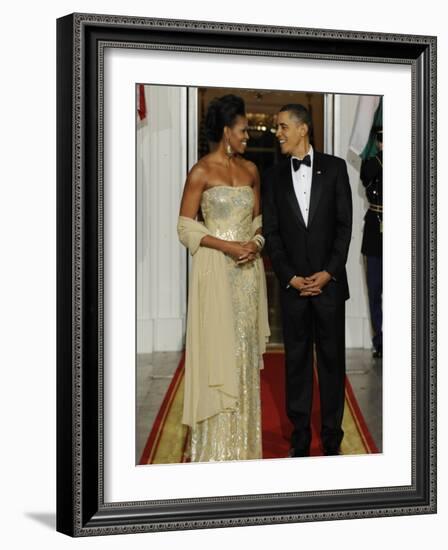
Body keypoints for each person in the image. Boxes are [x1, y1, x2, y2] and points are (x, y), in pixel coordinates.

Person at [177, 94, 270, 462]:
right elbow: (185, 227)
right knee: (218, 351)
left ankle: (243, 447)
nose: (248, 136)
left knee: (243, 352)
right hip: (215, 273)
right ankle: (214, 450)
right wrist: (227, 247)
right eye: (244, 130)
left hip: (247, 277)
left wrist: (256, 243)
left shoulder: (251, 171)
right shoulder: (201, 171)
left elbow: (260, 221)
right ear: (226, 130)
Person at [262, 104, 352, 457]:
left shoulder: (335, 168)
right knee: (296, 363)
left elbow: (344, 227)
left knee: (331, 363)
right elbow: (272, 233)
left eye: (283, 126)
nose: (278, 133)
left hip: (329, 286)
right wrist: (291, 277)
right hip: (294, 289)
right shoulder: (273, 177)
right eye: (277, 127)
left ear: (302, 129)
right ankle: (299, 437)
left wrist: (328, 273)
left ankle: (332, 438)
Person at [360, 127, 383, 359]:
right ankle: (380, 340)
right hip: (375, 229)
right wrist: (382, 154)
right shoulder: (372, 162)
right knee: (375, 289)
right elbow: (366, 175)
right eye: (381, 138)